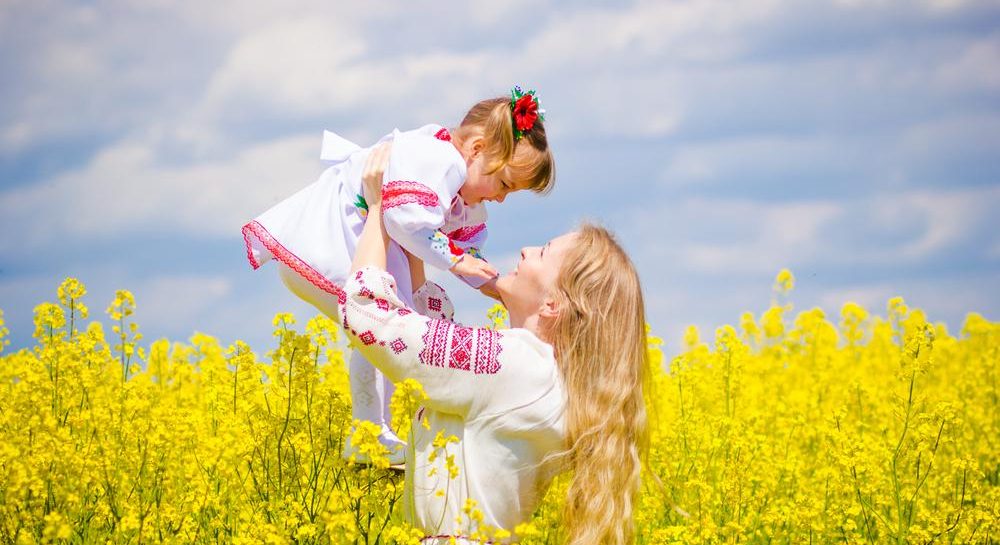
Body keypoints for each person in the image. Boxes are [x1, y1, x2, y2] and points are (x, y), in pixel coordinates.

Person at [340, 144, 648, 544]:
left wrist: (380, 209)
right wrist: (413, 232)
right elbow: (428, 335)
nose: (525, 250)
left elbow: (370, 318)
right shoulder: (540, 375)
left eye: (543, 252)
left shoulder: (515, 366)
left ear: (555, 305)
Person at [241, 87, 555, 460]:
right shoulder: (440, 160)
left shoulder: (454, 179)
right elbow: (407, 223)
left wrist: (494, 285)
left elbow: (464, 246)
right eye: (504, 184)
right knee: (382, 329)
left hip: (348, 247)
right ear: (476, 149)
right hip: (331, 243)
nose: (502, 198)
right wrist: (456, 261)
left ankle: (380, 432)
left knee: (401, 328)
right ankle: (370, 435)